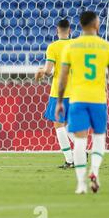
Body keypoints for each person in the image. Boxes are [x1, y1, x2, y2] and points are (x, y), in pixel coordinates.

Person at [56, 11, 109, 194]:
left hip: (77, 100)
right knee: (99, 138)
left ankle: (81, 183)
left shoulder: (71, 47)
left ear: (80, 26)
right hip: (98, 100)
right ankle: (95, 171)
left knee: (80, 142)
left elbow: (63, 77)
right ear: (96, 25)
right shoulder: (106, 47)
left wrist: (59, 101)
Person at [36, 19, 75, 168]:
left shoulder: (53, 47)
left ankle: (70, 160)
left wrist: (41, 72)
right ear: (69, 30)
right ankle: (80, 150)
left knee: (59, 125)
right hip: (75, 92)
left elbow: (47, 71)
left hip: (59, 92)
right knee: (67, 125)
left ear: (57, 31)